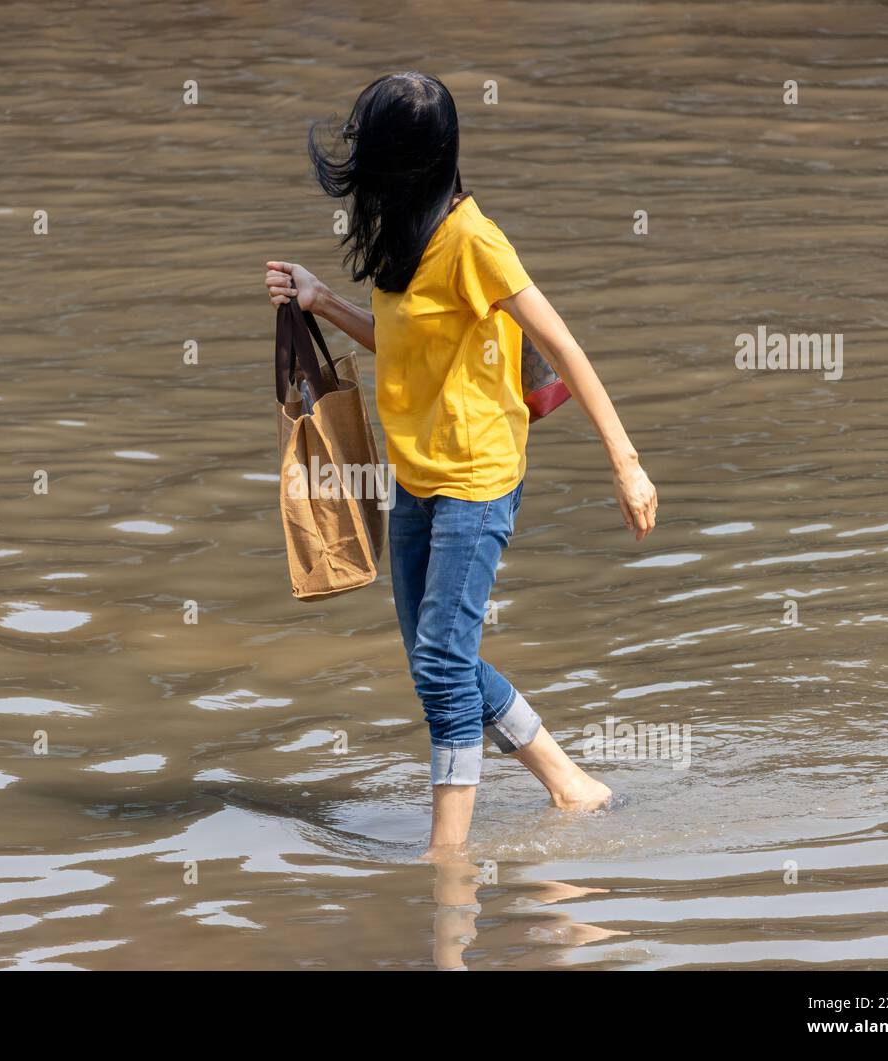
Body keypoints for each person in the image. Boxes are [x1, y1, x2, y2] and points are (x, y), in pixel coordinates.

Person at [264, 71, 658, 852]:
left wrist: (627, 462)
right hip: (417, 476)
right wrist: (321, 301)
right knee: (436, 657)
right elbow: (403, 347)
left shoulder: (474, 240)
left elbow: (562, 345)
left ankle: (446, 866)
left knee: (442, 665)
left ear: (403, 164)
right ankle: (570, 784)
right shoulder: (401, 243)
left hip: (477, 481)